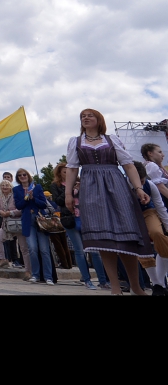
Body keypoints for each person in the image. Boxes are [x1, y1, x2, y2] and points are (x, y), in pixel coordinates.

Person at [64, 109, 153, 295]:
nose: (85, 118)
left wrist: (137, 188)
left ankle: (135, 285)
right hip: (91, 189)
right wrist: (68, 195)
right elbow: (72, 170)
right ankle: (114, 287)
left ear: (99, 120)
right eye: (82, 116)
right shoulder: (76, 142)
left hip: (116, 185)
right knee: (103, 239)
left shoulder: (111, 139)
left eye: (90, 115)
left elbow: (128, 165)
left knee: (126, 235)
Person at [50, 162, 98, 289]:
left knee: (94, 250)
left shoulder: (81, 182)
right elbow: (59, 201)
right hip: (69, 219)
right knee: (79, 249)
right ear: (60, 173)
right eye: (65, 171)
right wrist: (70, 189)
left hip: (85, 217)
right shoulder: (56, 185)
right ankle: (87, 280)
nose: (69, 173)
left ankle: (104, 280)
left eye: (71, 171)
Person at [14, 168, 54, 285]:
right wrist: (26, 198)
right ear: (18, 178)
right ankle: (35, 274)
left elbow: (43, 203)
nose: (22, 176)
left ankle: (48, 276)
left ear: (28, 175)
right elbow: (19, 206)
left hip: (40, 220)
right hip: (28, 220)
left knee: (44, 250)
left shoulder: (37, 187)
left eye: (24, 174)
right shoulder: (16, 190)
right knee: (32, 249)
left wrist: (33, 198)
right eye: (20, 175)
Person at [135, 161, 168, 296]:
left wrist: (167, 225)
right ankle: (156, 283)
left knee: (157, 234)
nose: (142, 184)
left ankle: (160, 282)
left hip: (149, 212)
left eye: (143, 181)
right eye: (140, 181)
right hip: (132, 215)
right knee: (141, 245)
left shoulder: (150, 185)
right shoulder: (124, 186)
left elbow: (160, 207)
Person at [0, 178, 30, 277]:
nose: (5, 187)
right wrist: (1, 213)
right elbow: (0, 210)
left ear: (11, 187)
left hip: (18, 223)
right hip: (7, 225)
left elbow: (21, 209)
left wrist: (10, 212)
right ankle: (3, 259)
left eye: (7, 185)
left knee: (23, 248)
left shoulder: (15, 196)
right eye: (3, 185)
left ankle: (28, 270)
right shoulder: (1, 198)